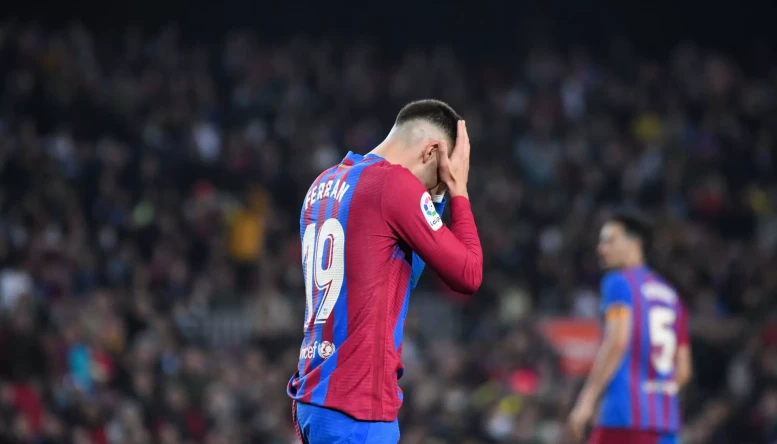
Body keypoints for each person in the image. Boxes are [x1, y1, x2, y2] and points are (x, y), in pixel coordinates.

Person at [287, 100, 483, 443]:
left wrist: (434, 204)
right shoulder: (392, 184)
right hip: (357, 407)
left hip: (314, 399)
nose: (436, 189)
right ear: (431, 152)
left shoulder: (323, 183)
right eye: (439, 179)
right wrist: (459, 191)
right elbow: (468, 274)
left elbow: (406, 273)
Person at [568, 210, 693, 444]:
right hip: (665, 425)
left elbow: (617, 341)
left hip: (624, 420)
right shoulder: (672, 296)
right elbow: (683, 370)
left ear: (635, 243)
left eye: (609, 241)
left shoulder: (618, 282)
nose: (601, 249)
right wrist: (654, 396)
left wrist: (586, 401)